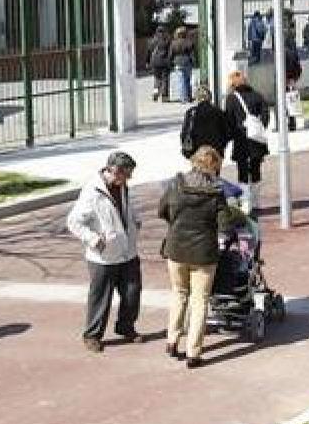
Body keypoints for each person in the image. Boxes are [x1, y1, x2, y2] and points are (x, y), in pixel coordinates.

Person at [66, 152, 143, 352]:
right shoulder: (93, 191)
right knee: (101, 298)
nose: (129, 178)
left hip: (127, 251)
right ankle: (92, 335)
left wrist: (135, 220)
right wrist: (93, 239)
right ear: (114, 171)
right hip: (103, 256)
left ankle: (126, 326)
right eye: (127, 174)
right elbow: (74, 222)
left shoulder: (123, 187)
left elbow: (126, 208)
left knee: (132, 293)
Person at [158, 146, 226, 369]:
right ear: (214, 166)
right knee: (200, 300)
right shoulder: (215, 192)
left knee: (179, 293)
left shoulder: (176, 185)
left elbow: (162, 211)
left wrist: (177, 224)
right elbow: (224, 223)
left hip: (176, 249)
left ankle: (172, 341)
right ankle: (193, 353)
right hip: (203, 253)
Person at [224, 70, 269, 203]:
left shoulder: (231, 98)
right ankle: (255, 200)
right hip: (256, 138)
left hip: (241, 139)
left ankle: (245, 201)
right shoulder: (257, 95)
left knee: (242, 170)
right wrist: (259, 126)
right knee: (256, 169)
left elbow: (229, 120)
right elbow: (265, 115)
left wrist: (230, 135)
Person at [180, 84, 229, 159]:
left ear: (197, 98)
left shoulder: (191, 112)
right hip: (215, 153)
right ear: (210, 98)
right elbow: (227, 133)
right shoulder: (218, 112)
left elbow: (184, 133)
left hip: (196, 153)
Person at [169, 27, 195, 104]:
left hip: (178, 63)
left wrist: (170, 62)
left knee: (181, 80)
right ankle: (189, 97)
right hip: (187, 62)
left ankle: (183, 98)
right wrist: (193, 62)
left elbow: (171, 54)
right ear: (185, 33)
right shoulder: (189, 42)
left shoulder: (173, 43)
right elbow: (192, 54)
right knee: (187, 80)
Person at [148, 26, 172, 102]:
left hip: (154, 62)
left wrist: (147, 62)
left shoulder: (153, 41)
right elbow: (170, 52)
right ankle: (164, 97)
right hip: (164, 62)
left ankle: (156, 92)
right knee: (165, 79)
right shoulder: (167, 40)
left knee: (156, 78)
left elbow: (149, 52)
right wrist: (170, 61)